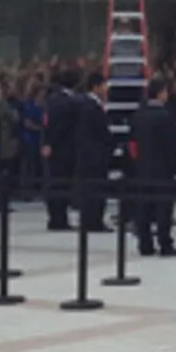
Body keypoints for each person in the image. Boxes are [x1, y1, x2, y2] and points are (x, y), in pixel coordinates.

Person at [129, 77, 176, 257]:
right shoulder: (165, 116)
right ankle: (165, 243)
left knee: (143, 206)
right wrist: (175, 168)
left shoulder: (137, 115)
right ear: (161, 93)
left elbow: (132, 142)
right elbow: (171, 145)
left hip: (142, 167)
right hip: (163, 168)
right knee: (163, 208)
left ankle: (145, 243)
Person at [73, 70, 115, 233]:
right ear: (96, 87)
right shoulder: (91, 107)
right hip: (94, 155)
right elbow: (100, 132)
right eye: (104, 86)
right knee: (94, 189)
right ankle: (93, 221)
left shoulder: (84, 104)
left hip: (88, 154)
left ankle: (90, 219)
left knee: (91, 188)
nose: (106, 89)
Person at [41, 68, 81, 231]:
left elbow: (47, 123)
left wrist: (46, 143)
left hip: (54, 147)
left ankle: (55, 217)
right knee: (62, 183)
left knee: (55, 182)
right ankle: (59, 218)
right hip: (65, 148)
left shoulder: (52, 99)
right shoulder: (69, 102)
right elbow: (62, 127)